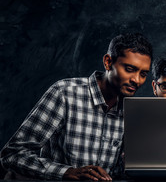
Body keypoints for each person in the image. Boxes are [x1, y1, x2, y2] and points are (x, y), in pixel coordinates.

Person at [0, 33, 152, 181]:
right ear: (108, 62)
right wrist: (66, 172)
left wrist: (130, 166)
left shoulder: (131, 111)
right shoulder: (65, 93)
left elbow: (115, 174)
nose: (137, 80)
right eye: (130, 69)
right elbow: (13, 155)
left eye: (143, 74)